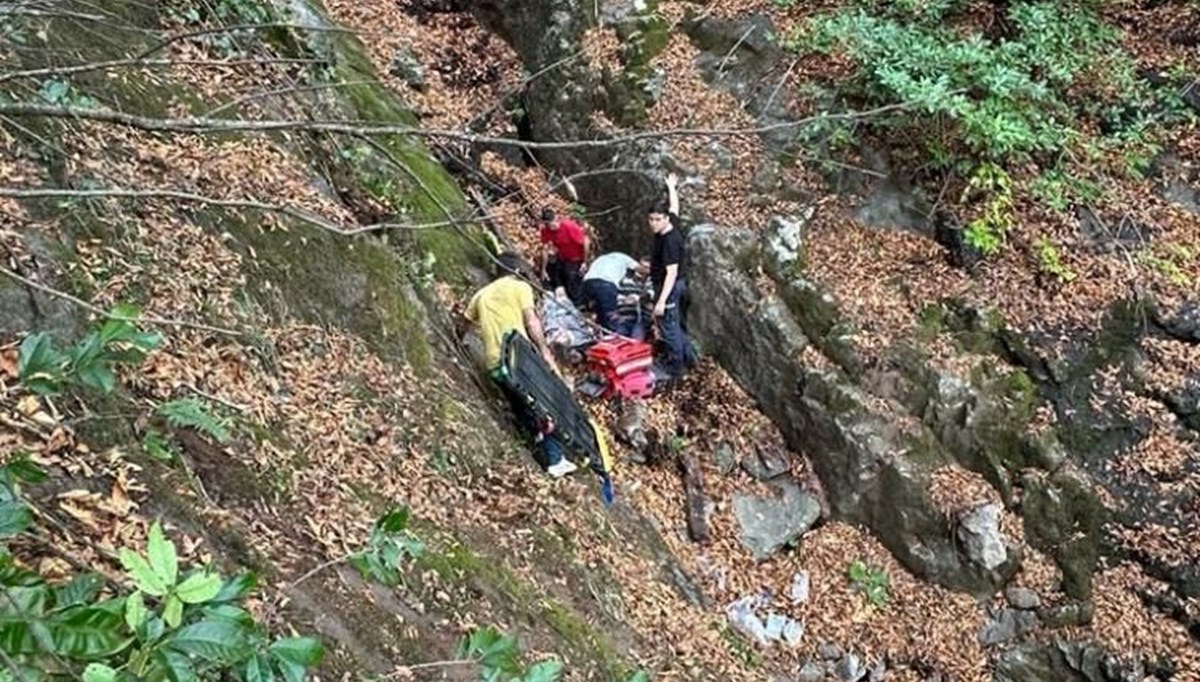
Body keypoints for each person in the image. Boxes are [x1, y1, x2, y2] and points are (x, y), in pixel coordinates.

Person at [465, 252, 576, 477]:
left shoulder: (481, 295)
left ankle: (540, 444)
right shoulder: (519, 288)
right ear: (516, 272)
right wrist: (544, 349)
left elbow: (464, 325)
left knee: (522, 408)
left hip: (495, 364)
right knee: (545, 406)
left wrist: (459, 339)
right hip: (519, 360)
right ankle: (555, 460)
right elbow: (532, 321)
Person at [647, 173, 697, 379]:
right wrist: (671, 187)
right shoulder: (671, 224)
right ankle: (689, 357)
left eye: (657, 219)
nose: (653, 223)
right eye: (650, 219)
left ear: (665, 219)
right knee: (675, 323)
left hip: (670, 286)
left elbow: (671, 272)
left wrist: (661, 301)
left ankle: (675, 368)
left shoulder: (669, 241)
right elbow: (675, 208)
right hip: (676, 285)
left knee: (669, 328)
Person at [538, 207, 589, 305]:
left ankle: (579, 304)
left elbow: (585, 242)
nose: (552, 227)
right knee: (554, 271)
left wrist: (584, 262)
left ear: (556, 219)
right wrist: (543, 269)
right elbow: (544, 249)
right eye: (548, 225)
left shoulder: (569, 227)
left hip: (576, 258)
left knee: (572, 279)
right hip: (563, 257)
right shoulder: (546, 230)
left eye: (553, 224)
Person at [582, 251, 642, 332]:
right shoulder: (625, 258)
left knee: (596, 314)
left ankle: (595, 335)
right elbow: (640, 268)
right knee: (611, 317)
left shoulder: (601, 258)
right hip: (606, 284)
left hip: (587, 283)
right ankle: (613, 337)